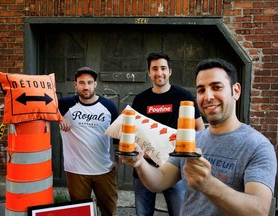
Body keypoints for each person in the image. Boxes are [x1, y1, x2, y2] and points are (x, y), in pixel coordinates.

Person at [122, 59, 277, 216]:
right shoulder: (192, 141)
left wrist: (208, 184)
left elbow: (259, 210)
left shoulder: (258, 146)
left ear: (235, 91)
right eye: (201, 90)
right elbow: (159, 180)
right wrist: (139, 162)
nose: (208, 97)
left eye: (216, 87)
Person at [131, 52, 205, 216]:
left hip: (175, 167)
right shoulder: (140, 100)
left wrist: (189, 152)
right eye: (154, 68)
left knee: (180, 213)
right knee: (143, 213)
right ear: (149, 72)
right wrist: (142, 153)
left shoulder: (184, 96)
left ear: (170, 71)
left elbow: (200, 129)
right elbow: (133, 133)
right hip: (145, 167)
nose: (159, 73)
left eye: (163, 68)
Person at [58, 67, 120, 216]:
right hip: (76, 171)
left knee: (109, 211)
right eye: (81, 83)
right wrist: (59, 118)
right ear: (75, 84)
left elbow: (118, 136)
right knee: (80, 212)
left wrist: (118, 161)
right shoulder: (64, 104)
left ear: (95, 84)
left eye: (89, 82)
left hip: (104, 170)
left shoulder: (109, 107)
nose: (86, 86)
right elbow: (43, 104)